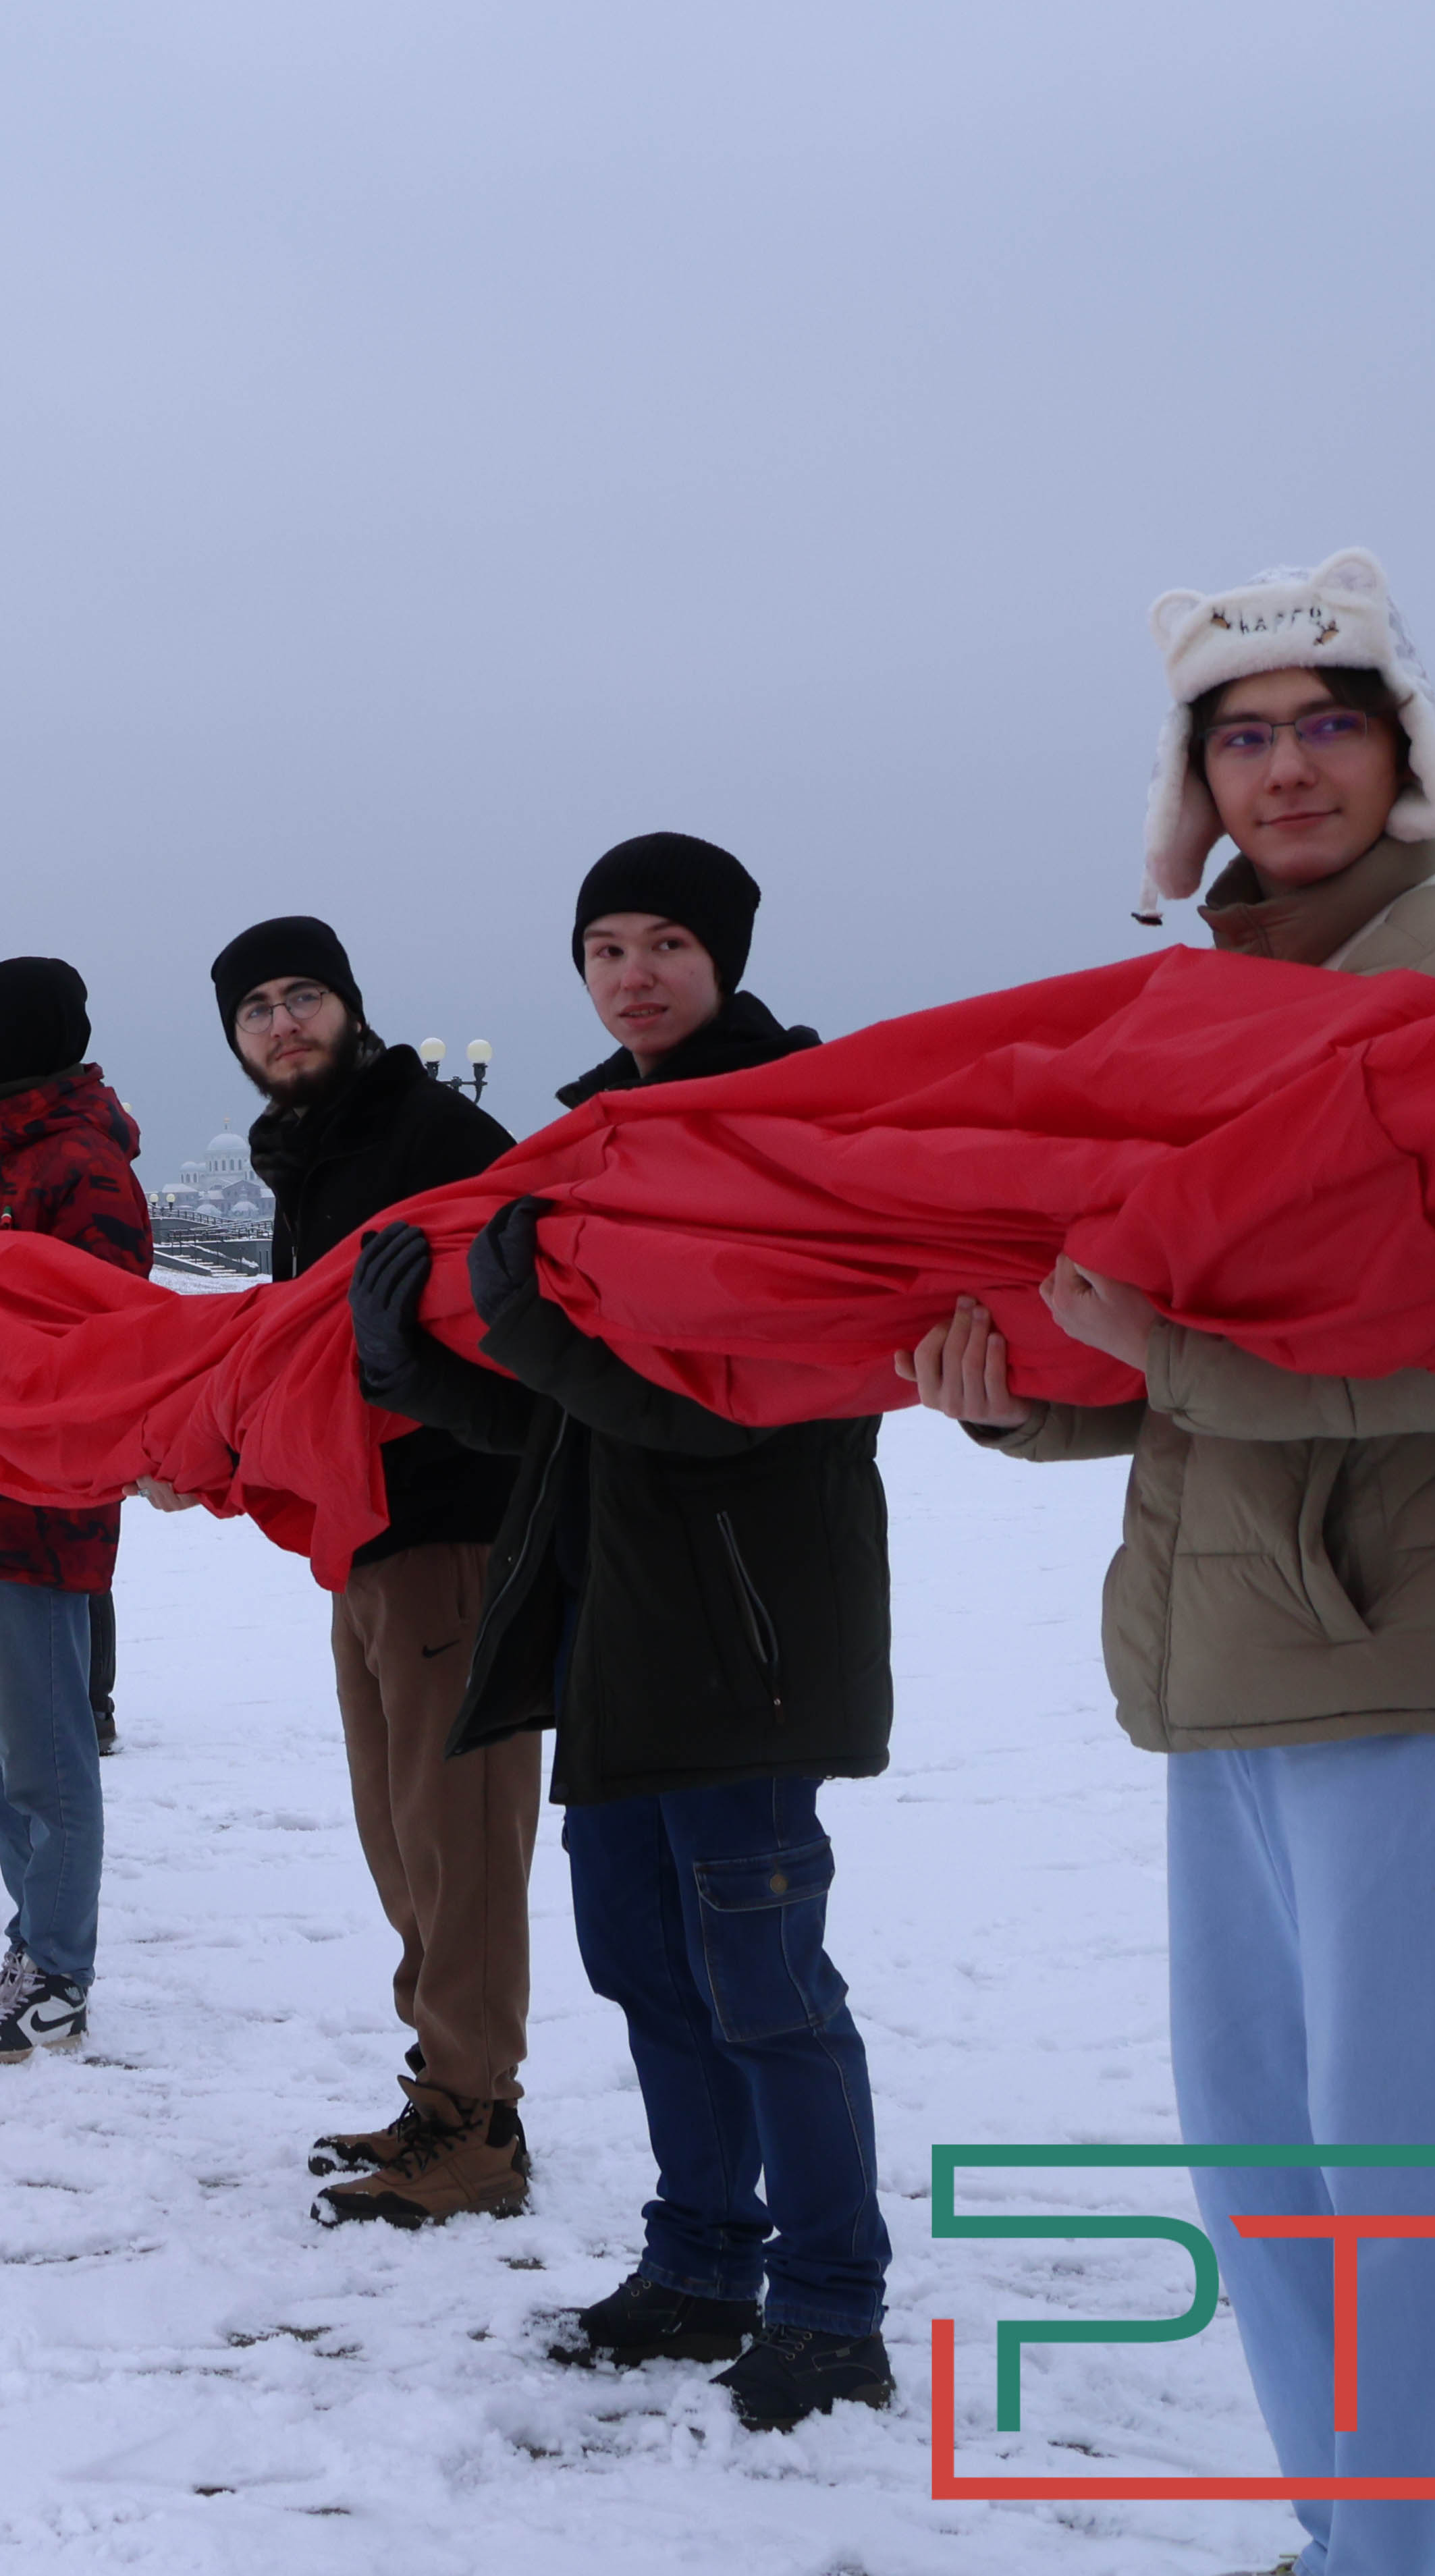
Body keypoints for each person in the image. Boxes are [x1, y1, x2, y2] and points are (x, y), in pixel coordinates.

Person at [904, 549, 1435, 2567]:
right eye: (1242, 736)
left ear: (1405, 749)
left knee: (1423, 2178)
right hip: (1230, 1664)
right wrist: (1033, 1392)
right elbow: (1188, 1355)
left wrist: (1155, 1344)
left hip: (1430, 1661)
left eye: (1327, 724)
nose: (1287, 768)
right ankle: (1368, 2534)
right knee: (1268, 2160)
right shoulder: (1211, 1010)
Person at [352, 831, 898, 2431]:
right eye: (603, 948)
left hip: (746, 1635)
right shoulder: (592, 1145)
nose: (631, 973)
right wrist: (433, 1375)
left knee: (766, 1984)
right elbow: (575, 1426)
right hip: (616, 1636)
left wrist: (521, 1327)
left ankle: (827, 2299)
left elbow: (727, 1412)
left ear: (721, 956)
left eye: (662, 941)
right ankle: (700, 2260)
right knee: (648, 1969)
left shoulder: (778, 1137)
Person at [200, 914, 533, 2226]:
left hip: (455, 1529)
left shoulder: (431, 1139)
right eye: (255, 1010)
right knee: (402, 1837)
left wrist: (428, 1384)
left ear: (349, 1005)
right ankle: (441, 2086)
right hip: (369, 1540)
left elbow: (528, 1312)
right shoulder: (313, 1152)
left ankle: (480, 2123)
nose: (282, 1024)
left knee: (462, 1841)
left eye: (303, 997)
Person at [0, 960, 151, 2060]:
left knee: (46, 1759)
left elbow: (104, 1338)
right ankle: (30, 1948)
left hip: (41, 1498)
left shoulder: (81, 1167)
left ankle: (60, 1970)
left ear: (33, 1029)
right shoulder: (6, 1154)